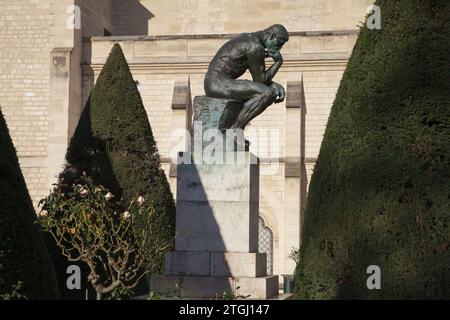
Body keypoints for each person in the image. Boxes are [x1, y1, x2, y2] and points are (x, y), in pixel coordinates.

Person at [204, 24, 289, 130]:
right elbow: (260, 81)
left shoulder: (249, 39)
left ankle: (233, 128)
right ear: (271, 36)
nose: (279, 48)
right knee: (267, 93)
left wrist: (273, 84)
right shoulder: (255, 46)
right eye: (279, 44)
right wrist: (278, 62)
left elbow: (259, 79)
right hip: (218, 84)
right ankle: (236, 129)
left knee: (265, 91)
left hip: (215, 82)